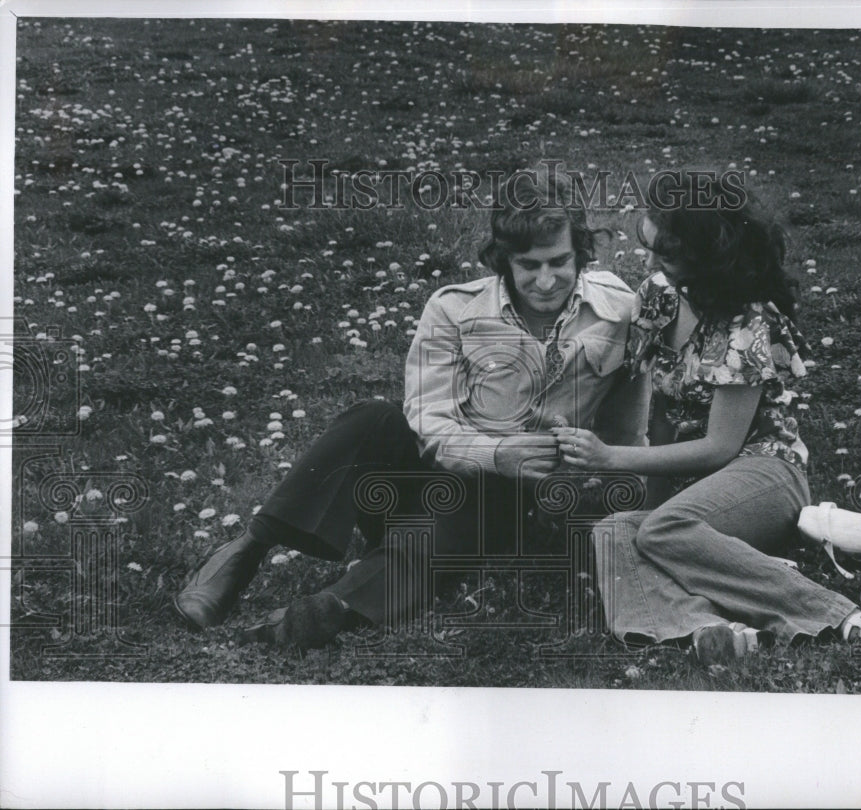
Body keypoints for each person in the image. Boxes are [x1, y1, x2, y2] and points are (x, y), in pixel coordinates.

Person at [174, 169, 650, 647]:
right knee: (375, 417)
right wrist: (494, 453)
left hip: (512, 497)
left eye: (559, 261)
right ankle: (246, 549)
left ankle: (331, 608)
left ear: (582, 252)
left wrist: (591, 488)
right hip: (433, 468)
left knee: (465, 515)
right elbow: (428, 420)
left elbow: (627, 432)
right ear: (503, 260)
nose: (545, 281)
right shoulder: (453, 309)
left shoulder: (621, 311)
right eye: (528, 265)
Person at [552, 171, 861, 665]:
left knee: (663, 530)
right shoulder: (659, 295)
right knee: (617, 529)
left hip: (765, 474)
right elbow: (664, 413)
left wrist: (609, 457)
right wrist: (650, 503)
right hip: (696, 495)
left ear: (708, 256)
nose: (649, 264)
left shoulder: (746, 322)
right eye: (649, 248)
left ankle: (842, 615)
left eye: (664, 254)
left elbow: (721, 447)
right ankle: (710, 630)